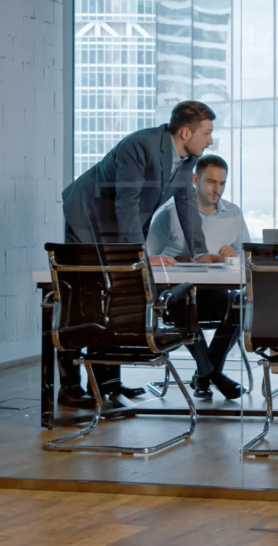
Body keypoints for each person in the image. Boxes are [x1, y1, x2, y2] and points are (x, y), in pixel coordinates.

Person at [58, 100, 223, 409]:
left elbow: (185, 205)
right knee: (86, 294)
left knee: (118, 293)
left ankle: (109, 383)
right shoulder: (141, 146)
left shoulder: (187, 158)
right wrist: (140, 256)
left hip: (119, 223)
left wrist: (200, 252)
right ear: (186, 132)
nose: (211, 140)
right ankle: (69, 387)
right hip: (88, 216)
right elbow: (126, 202)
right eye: (207, 132)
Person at [146, 154, 249, 400]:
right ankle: (212, 375)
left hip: (214, 293)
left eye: (222, 183)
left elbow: (247, 257)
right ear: (195, 179)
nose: (217, 189)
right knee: (184, 301)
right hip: (176, 295)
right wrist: (181, 259)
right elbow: (148, 258)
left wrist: (231, 255)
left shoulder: (233, 213)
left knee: (242, 303)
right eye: (211, 182)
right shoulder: (169, 213)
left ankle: (206, 373)